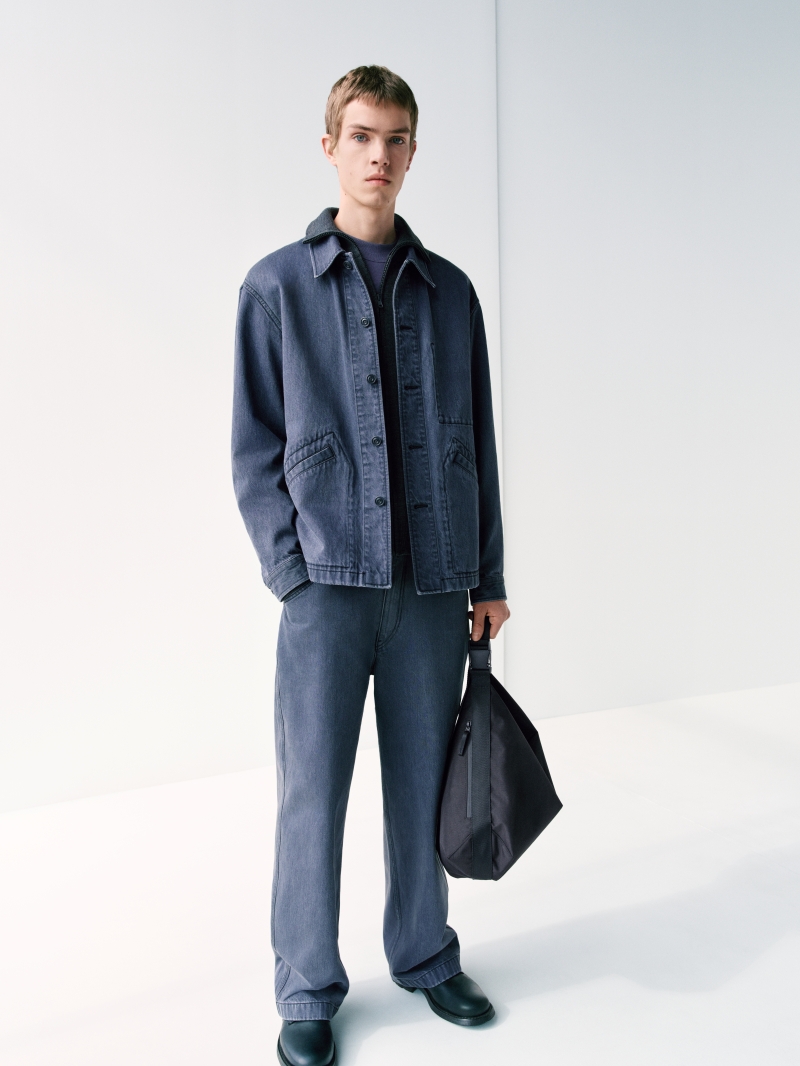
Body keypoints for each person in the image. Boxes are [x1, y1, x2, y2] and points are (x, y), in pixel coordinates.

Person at [232, 64, 510, 1066]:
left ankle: (426, 954)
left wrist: (487, 575)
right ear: (329, 147)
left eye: (395, 139)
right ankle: (306, 985)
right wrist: (291, 573)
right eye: (360, 135)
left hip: (432, 585)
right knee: (311, 790)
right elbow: (253, 449)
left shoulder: (451, 293)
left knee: (422, 783)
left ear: (412, 152)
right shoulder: (276, 287)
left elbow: (477, 441)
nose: (378, 156)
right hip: (327, 589)